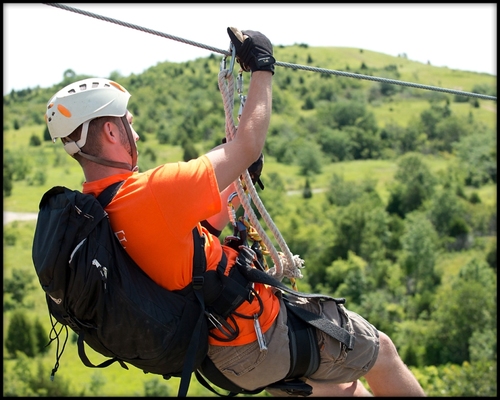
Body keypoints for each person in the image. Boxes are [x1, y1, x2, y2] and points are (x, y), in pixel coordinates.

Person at [44, 27, 425, 397]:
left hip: (222, 355)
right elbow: (248, 144)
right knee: (383, 353)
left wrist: (234, 186)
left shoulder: (100, 211)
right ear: (111, 133)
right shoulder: (152, 191)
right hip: (255, 331)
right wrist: (262, 64)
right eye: (129, 124)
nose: (136, 134)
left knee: (344, 391)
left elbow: (195, 236)